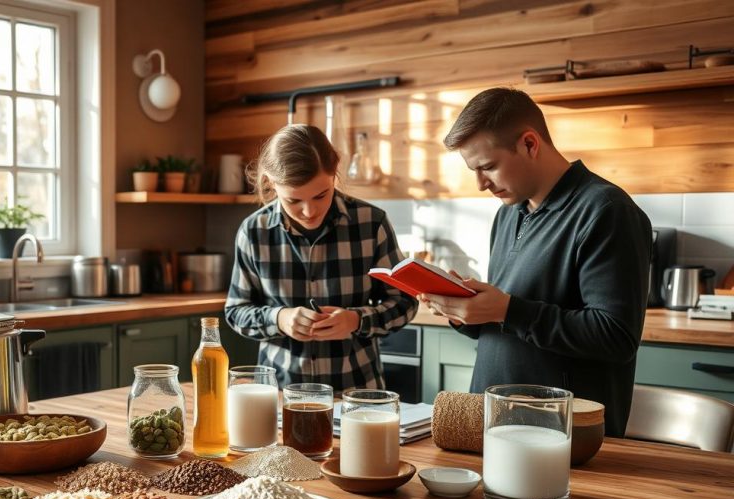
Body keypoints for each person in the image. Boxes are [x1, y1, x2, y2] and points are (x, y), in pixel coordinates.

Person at [421, 88, 651, 437]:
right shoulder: (509, 213)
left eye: (488, 167)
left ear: (530, 144)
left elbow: (615, 337)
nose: (481, 184)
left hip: (563, 436)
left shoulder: (607, 210)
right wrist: (463, 310)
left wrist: (507, 310)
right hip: (495, 426)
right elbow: (512, 322)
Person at [224, 124, 418, 390]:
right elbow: (236, 311)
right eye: (293, 200)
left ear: (334, 172)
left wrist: (356, 320)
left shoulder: (371, 223)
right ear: (270, 183)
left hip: (357, 396)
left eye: (321, 194)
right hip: (281, 396)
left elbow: (405, 302)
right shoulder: (254, 231)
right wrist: (279, 319)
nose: (309, 211)